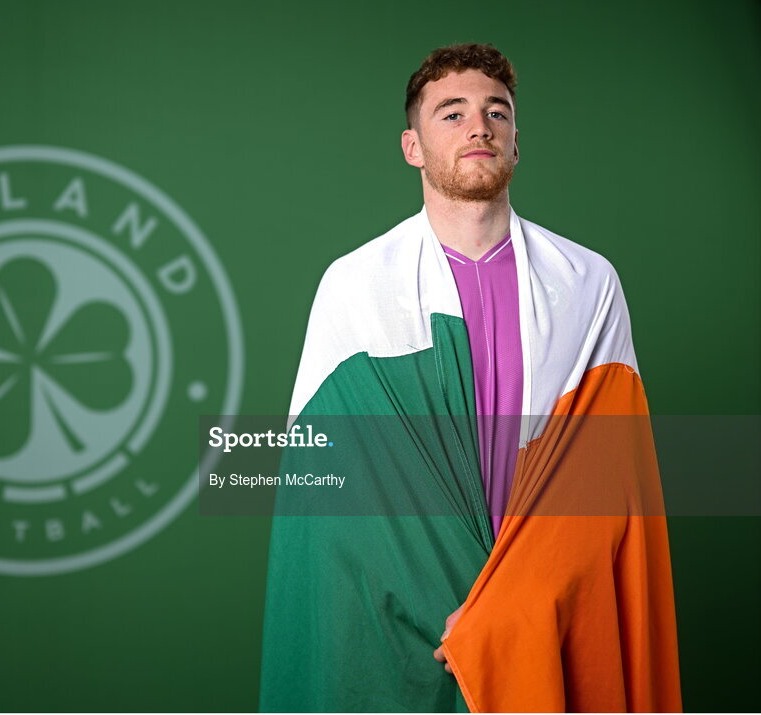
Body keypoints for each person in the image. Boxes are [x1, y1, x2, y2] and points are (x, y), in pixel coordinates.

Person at [259, 43, 682, 713]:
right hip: (399, 621)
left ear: (517, 143)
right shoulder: (355, 286)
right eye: (451, 113)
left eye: (496, 112)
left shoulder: (588, 283)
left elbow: (610, 475)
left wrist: (508, 605)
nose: (478, 126)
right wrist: (445, 604)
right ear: (412, 146)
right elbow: (331, 492)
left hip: (546, 610)